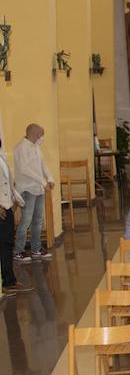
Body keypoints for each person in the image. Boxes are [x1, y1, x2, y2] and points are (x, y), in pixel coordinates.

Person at [13, 124, 53, 261]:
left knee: (38, 220)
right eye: (40, 135)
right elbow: (24, 169)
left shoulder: (36, 147)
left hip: (38, 189)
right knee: (26, 221)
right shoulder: (21, 148)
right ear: (33, 134)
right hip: (27, 189)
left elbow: (42, 164)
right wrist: (43, 182)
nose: (41, 138)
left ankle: (36, 249)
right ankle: (18, 250)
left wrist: (50, 178)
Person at [0, 134, 29, 296]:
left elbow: (6, 183)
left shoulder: (1, 158)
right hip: (1, 209)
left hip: (8, 206)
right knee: (3, 245)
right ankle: (7, 282)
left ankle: (10, 280)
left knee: (7, 244)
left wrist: (15, 198)